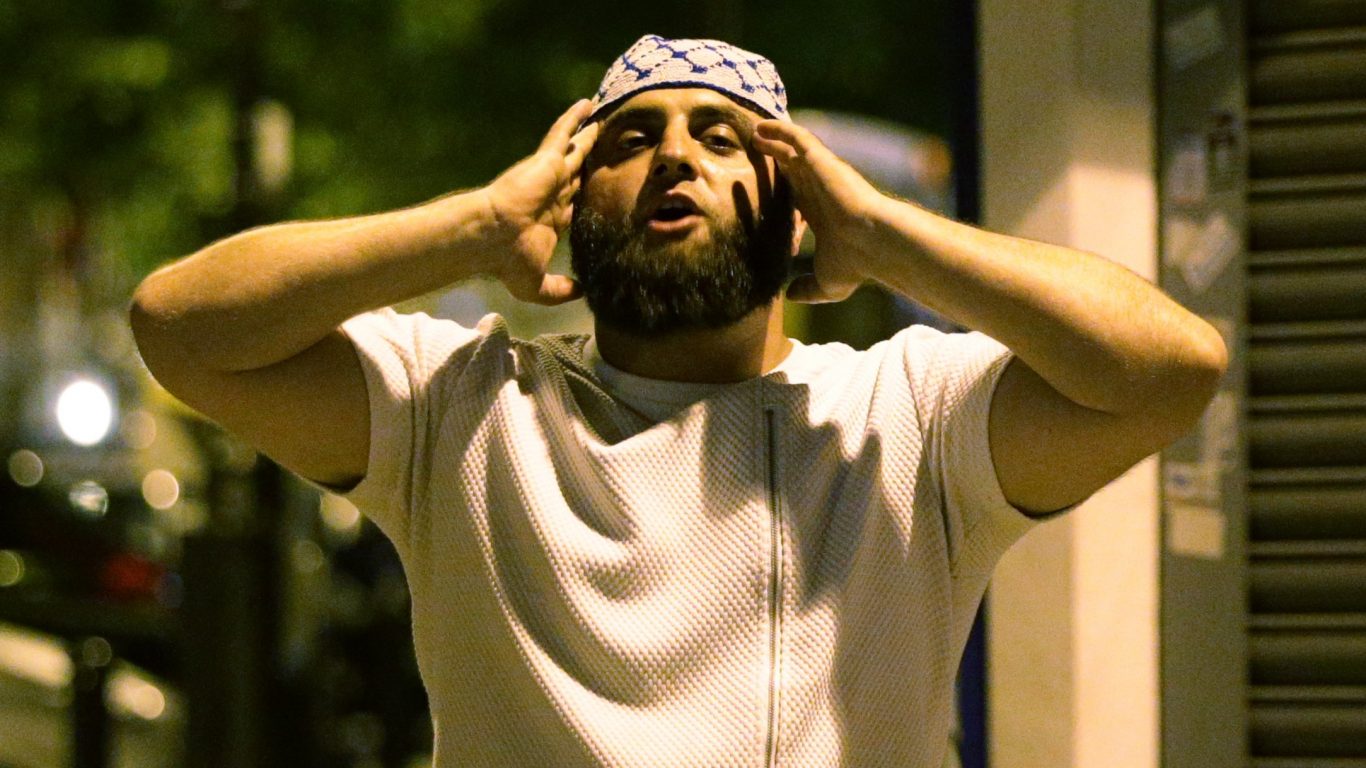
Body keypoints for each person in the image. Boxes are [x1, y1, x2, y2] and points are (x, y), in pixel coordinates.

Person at [130, 35, 1226, 768]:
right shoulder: (459, 409)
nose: (673, 160)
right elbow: (181, 329)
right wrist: (463, 229)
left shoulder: (909, 415)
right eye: (630, 140)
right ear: (569, 202)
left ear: (796, 209)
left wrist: (891, 238)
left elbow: (1169, 370)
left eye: (723, 138)